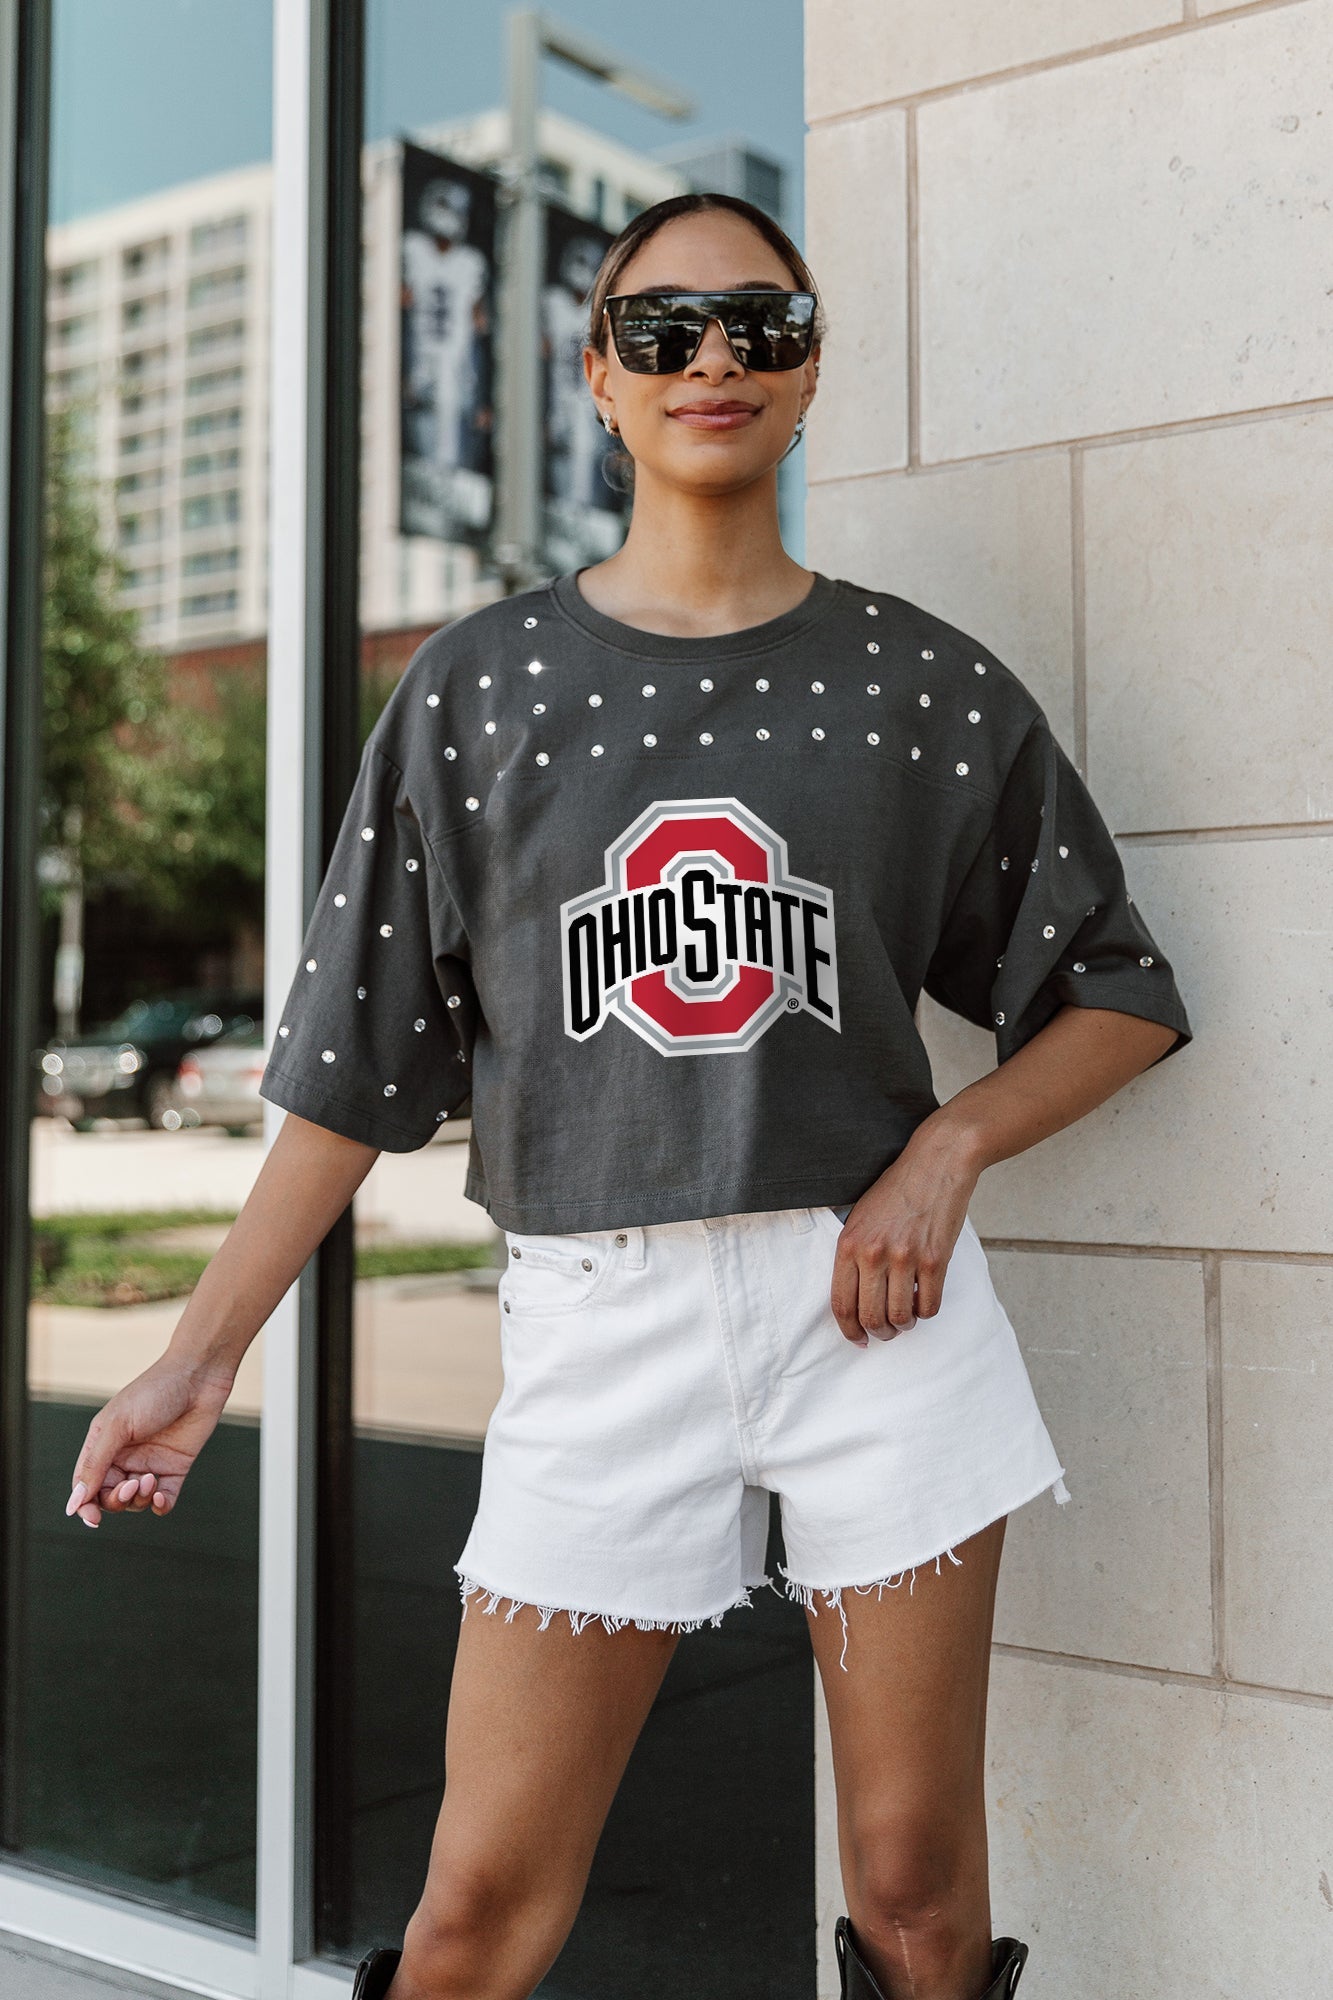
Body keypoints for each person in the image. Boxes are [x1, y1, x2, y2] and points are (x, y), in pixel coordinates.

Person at [64, 192, 1193, 2000]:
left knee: (912, 1892)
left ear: (810, 362)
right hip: (600, 1322)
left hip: (877, 1322)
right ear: (597, 379)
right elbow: (359, 1069)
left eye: (758, 319)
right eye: (659, 330)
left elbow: (1118, 992)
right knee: (475, 1913)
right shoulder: (478, 689)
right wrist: (203, 1355)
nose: (712, 359)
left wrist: (950, 1148)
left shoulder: (919, 686)